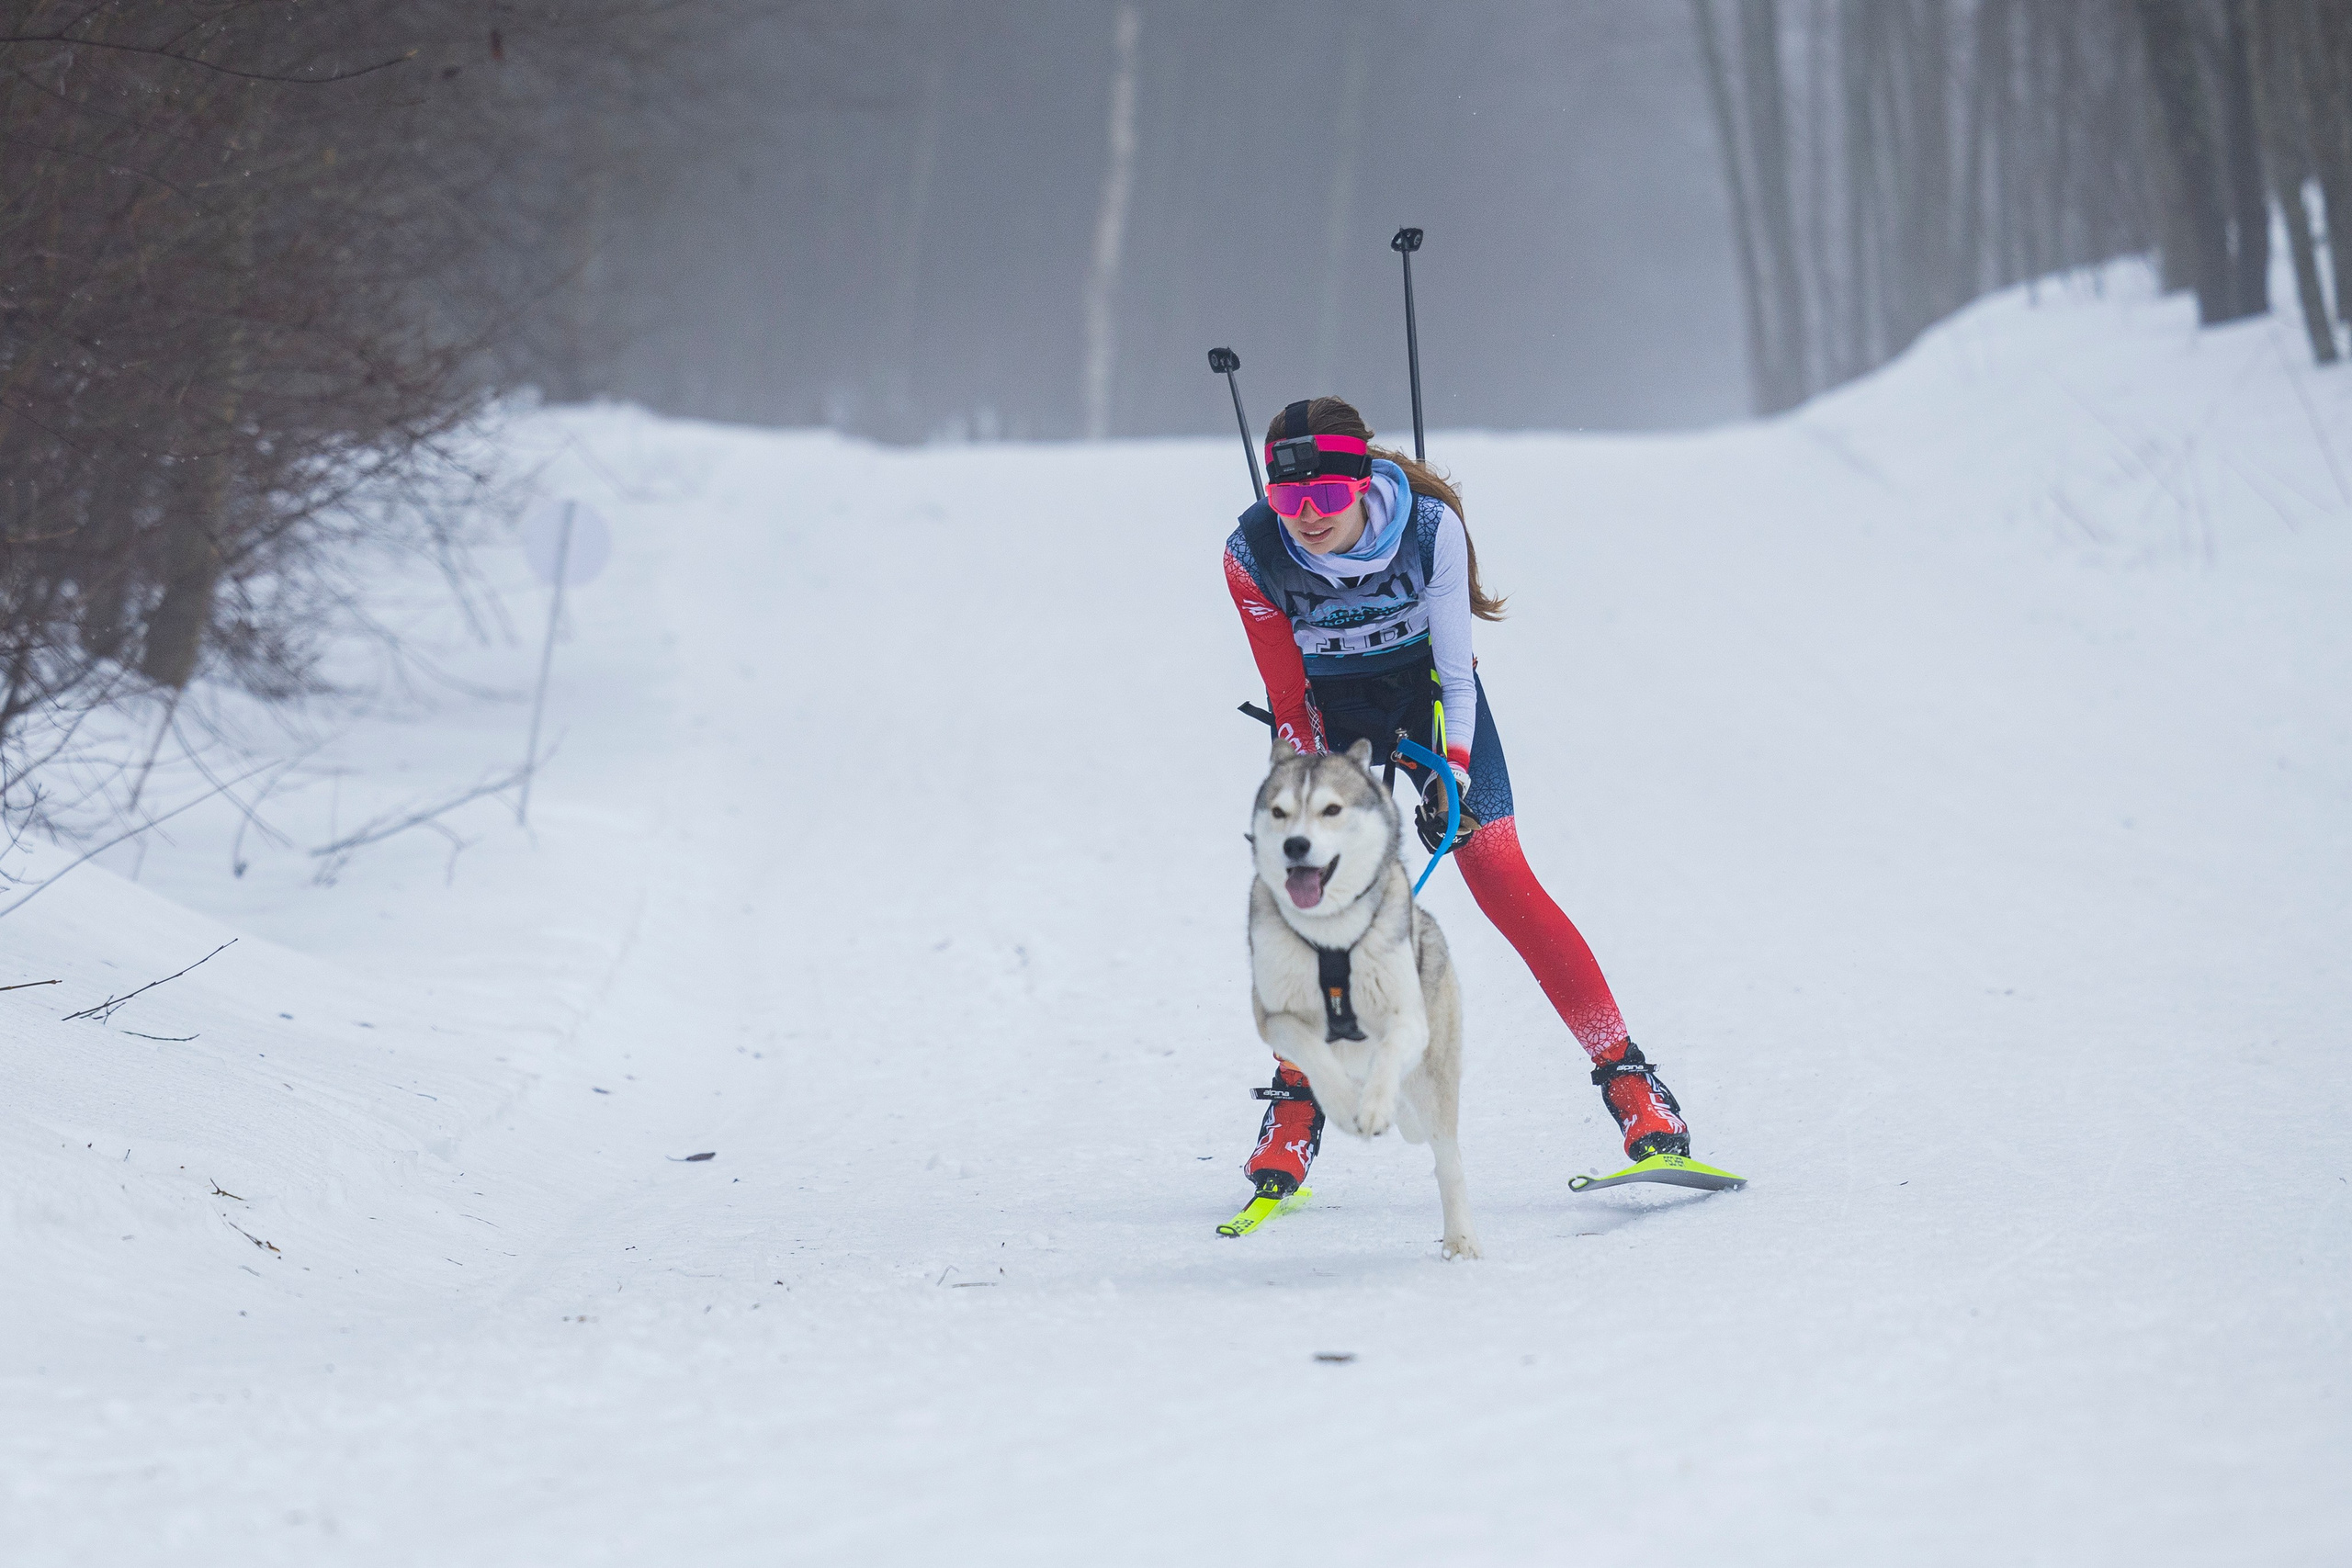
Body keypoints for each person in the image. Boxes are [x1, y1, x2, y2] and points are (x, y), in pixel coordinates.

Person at [1224, 395, 1695, 1208]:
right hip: (1332, 714)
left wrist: (1452, 775)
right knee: (1315, 902)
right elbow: (1288, 698)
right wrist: (1311, 809)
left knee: (1501, 875)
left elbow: (1453, 670)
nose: (1306, 517)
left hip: (1430, 702)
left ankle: (1631, 1084)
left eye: (1327, 497)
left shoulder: (1431, 528)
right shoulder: (1252, 555)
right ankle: (1298, 1101)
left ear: (1364, 479)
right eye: (1288, 498)